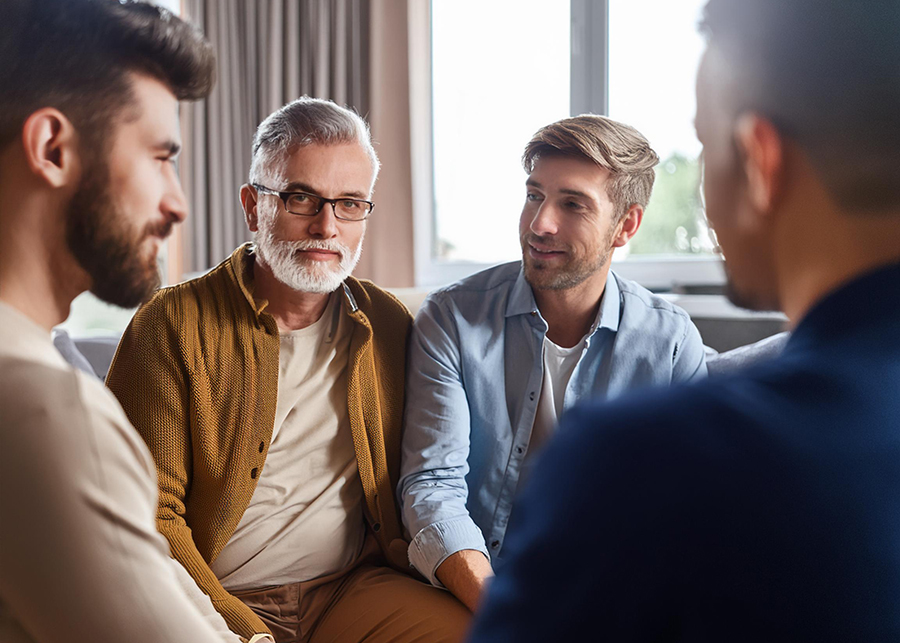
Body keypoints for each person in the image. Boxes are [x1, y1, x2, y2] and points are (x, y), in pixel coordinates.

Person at [468, 0, 900, 641]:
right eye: (535, 196)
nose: (541, 223)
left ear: (760, 160)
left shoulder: (637, 461)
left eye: (703, 146)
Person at [106, 97, 470, 643]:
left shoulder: (386, 323)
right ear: (254, 206)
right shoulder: (171, 324)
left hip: (353, 587)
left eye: (350, 203)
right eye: (302, 198)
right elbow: (148, 513)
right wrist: (238, 625)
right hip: (217, 597)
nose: (326, 225)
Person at [0, 1, 257, 642]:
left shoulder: (49, 370)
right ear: (53, 148)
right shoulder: (43, 410)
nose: (178, 202)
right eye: (160, 157)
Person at [399, 115, 707, 611]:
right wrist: (502, 609)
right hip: (478, 583)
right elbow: (432, 485)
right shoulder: (453, 317)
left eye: (572, 204)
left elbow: (687, 511)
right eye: (534, 195)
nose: (540, 223)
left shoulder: (669, 343)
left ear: (625, 225)